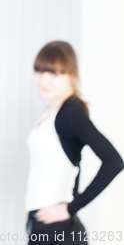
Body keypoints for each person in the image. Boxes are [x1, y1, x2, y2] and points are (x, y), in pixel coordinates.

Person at [26, 41, 123, 245]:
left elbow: (114, 161)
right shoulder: (51, 111)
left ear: (72, 75)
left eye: (53, 74)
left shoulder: (71, 113)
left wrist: (69, 208)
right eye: (40, 72)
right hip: (42, 226)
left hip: (58, 231)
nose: (44, 80)